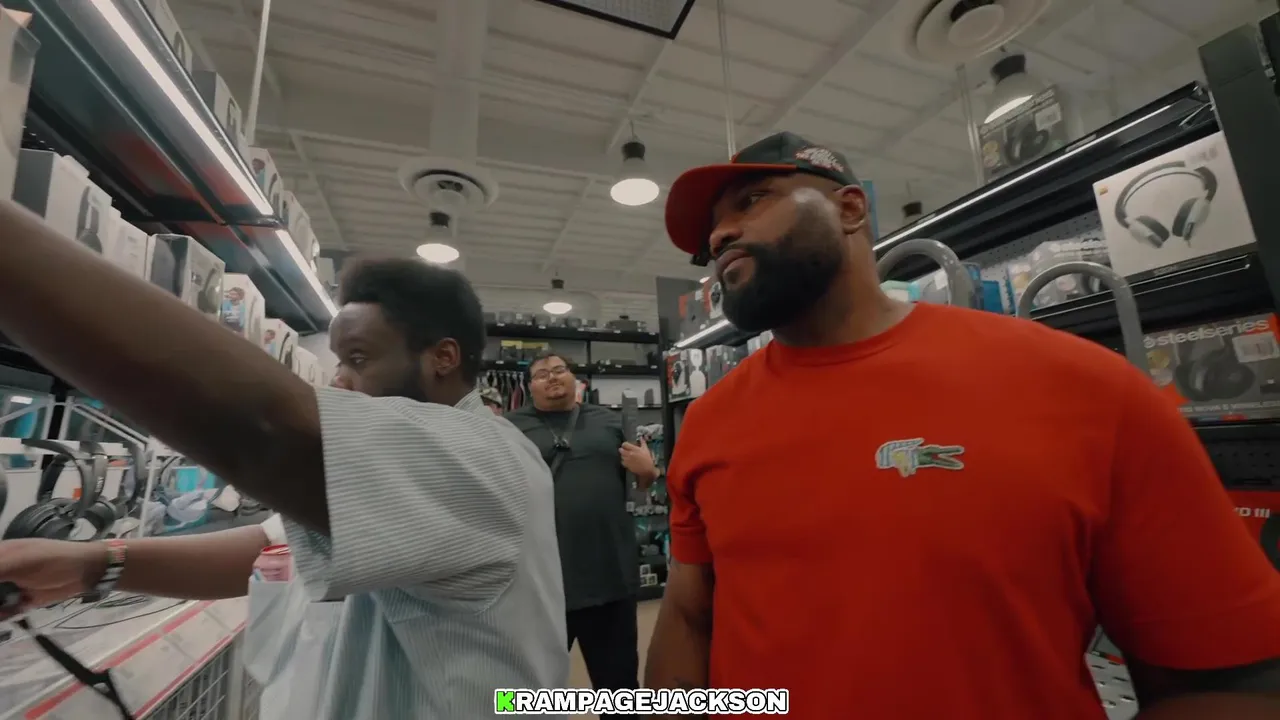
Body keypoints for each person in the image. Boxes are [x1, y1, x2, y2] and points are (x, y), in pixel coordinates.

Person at [644, 132, 1280, 719]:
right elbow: (689, 614)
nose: (721, 235)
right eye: (710, 235)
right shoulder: (709, 423)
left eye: (752, 200)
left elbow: (1224, 678)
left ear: (850, 209)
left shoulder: (1081, 385)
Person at [0, 220, 569, 720]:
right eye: (339, 361)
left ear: (443, 358)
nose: (339, 380)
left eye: (359, 359)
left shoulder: (479, 455)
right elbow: (271, 549)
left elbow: (267, 430)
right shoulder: (399, 470)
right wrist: (95, 563)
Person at [505, 353, 658, 709]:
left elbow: (639, 490)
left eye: (559, 370)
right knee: (532, 691)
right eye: (541, 374)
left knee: (620, 688)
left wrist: (649, 473)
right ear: (529, 387)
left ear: (575, 379)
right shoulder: (510, 428)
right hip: (540, 586)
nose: (552, 377)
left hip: (610, 579)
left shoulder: (610, 422)